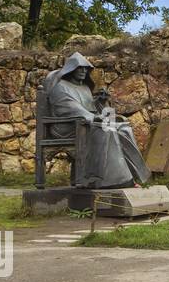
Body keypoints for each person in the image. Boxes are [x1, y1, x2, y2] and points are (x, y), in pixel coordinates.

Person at [41, 52, 150, 189]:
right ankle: (112, 180)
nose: (83, 71)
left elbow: (91, 108)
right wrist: (93, 117)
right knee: (106, 129)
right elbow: (70, 108)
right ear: (71, 69)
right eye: (80, 68)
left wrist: (100, 102)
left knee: (123, 128)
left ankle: (135, 175)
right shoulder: (60, 87)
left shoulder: (85, 88)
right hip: (66, 127)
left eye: (86, 68)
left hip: (85, 123)